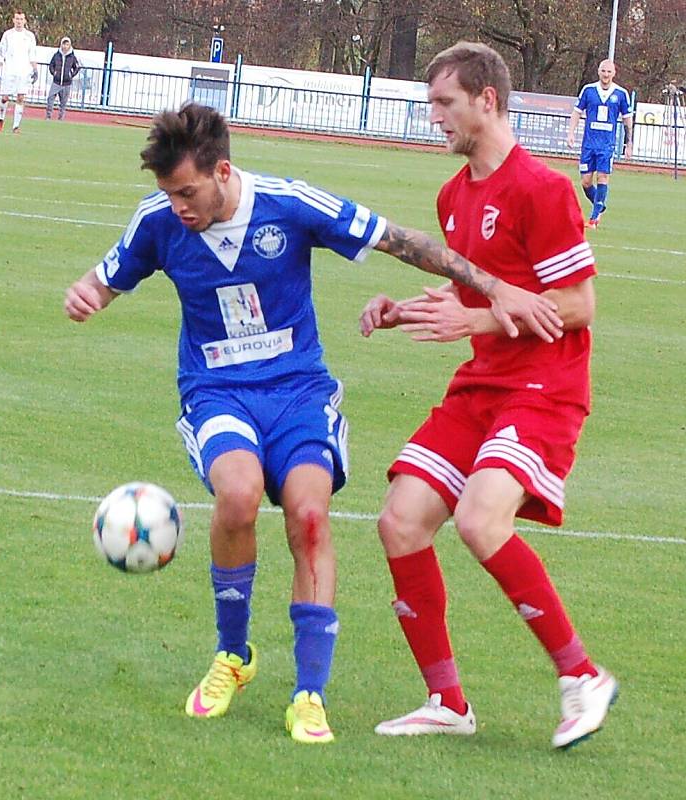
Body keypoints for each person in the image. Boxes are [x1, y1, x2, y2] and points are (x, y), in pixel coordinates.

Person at [64, 102, 562, 745]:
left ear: (222, 170)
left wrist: (492, 288)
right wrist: (86, 295)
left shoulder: (288, 204)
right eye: (169, 194)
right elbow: (105, 279)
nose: (180, 206)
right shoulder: (159, 221)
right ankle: (233, 656)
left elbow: (398, 240)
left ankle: (309, 693)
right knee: (238, 495)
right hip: (217, 392)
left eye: (188, 191)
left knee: (309, 514)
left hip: (299, 393)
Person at [360, 42, 617, 750]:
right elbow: (472, 290)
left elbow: (578, 304)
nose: (433, 117)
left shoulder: (541, 188)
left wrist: (473, 319)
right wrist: (404, 310)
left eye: (444, 103)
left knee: (479, 519)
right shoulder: (452, 196)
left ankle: (583, 677)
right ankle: (446, 701)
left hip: (544, 388)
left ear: (487, 100)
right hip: (483, 386)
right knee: (400, 521)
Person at [567, 59, 633, 229]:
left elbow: (627, 120)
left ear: (614, 73)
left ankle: (594, 218)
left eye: (609, 72)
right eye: (603, 71)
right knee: (586, 182)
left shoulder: (621, 93)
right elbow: (576, 112)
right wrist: (571, 133)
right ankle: (600, 204)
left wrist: (628, 142)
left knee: (603, 177)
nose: (606, 75)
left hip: (607, 145)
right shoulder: (588, 90)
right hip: (588, 144)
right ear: (598, 71)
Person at [0, 10, 38, 134]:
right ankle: (1, 119)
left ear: (25, 21)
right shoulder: (7, 35)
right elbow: (1, 53)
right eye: (17, 19)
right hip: (9, 70)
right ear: (13, 20)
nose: (19, 21)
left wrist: (35, 70)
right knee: (5, 97)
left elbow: (32, 54)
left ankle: (16, 126)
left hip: (24, 72)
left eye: (21, 19)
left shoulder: (30, 36)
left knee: (21, 97)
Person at [46, 36, 80, 120]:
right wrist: (54, 73)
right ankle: (48, 116)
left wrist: (71, 75)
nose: (65, 46)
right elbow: (51, 65)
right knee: (50, 99)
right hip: (56, 82)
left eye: (67, 44)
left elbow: (77, 67)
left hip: (66, 83)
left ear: (70, 46)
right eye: (64, 44)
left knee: (63, 103)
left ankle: (61, 118)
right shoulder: (56, 55)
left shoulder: (72, 57)